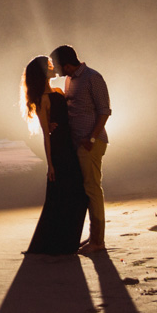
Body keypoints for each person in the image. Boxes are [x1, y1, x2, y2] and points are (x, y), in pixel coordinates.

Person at [21, 56, 89, 255]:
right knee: (61, 195)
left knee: (78, 194)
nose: (53, 68)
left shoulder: (59, 91)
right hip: (59, 151)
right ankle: (58, 244)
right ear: (43, 72)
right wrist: (50, 164)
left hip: (71, 145)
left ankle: (68, 240)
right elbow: (46, 136)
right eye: (49, 66)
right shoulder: (42, 99)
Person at [50, 45, 111, 254]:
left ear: (66, 63)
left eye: (57, 66)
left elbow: (104, 111)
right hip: (77, 144)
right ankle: (93, 237)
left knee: (93, 189)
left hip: (91, 143)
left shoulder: (93, 77)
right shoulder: (70, 80)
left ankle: (98, 241)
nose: (56, 72)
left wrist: (91, 138)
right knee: (85, 190)